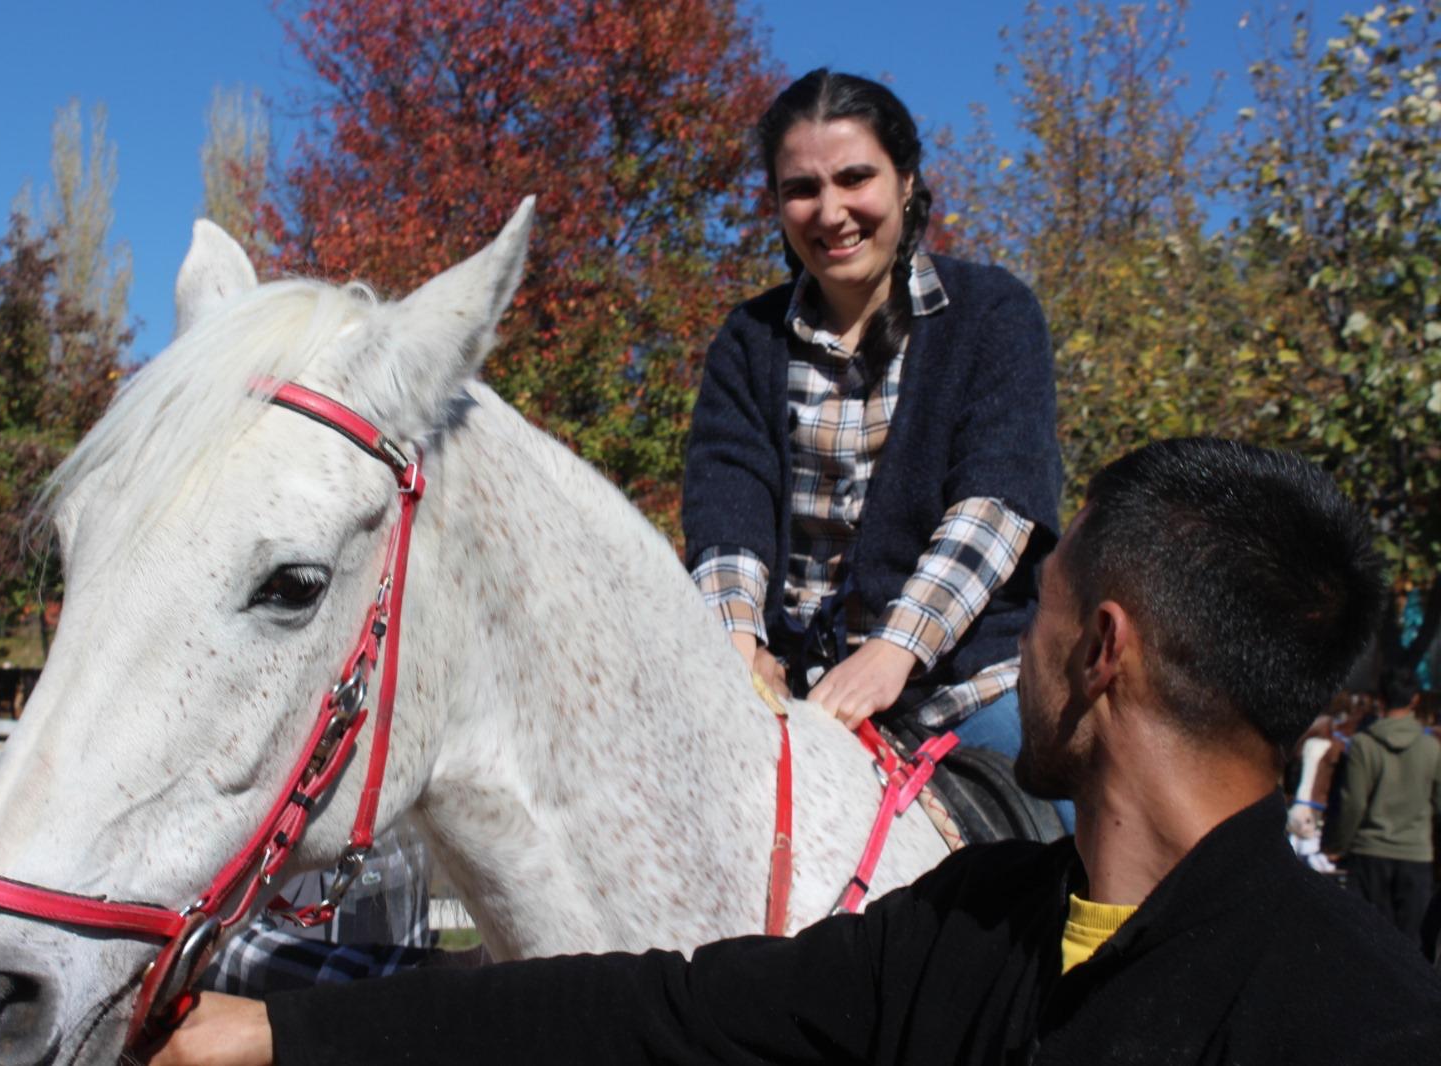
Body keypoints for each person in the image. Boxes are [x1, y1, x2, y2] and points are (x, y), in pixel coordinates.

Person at [150, 438, 1441, 1066]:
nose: (1019, 638)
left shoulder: (1355, 1025)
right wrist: (285, 1031)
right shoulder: (973, 925)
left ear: (1101, 650)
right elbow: (658, 1008)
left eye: (1039, 601)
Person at [680, 70, 1061, 776]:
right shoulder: (749, 340)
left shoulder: (992, 314)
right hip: (793, 699)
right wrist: (732, 649)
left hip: (966, 694)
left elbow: (997, 507)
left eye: (855, 178)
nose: (830, 212)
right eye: (802, 189)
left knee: (1094, 820)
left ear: (906, 181)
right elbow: (727, 515)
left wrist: (893, 652)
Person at [1323, 664, 1441, 941]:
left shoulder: (1364, 744)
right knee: (1412, 947)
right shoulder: (1431, 749)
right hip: (1416, 856)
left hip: (1369, 854)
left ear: (1381, 700)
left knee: (1369, 944)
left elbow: (1353, 803)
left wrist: (1338, 845)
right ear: (1414, 700)